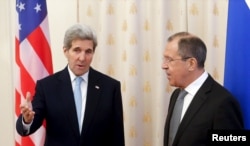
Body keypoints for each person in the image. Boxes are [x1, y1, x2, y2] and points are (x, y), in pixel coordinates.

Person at [16, 24, 125, 146]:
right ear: (65, 51)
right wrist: (27, 120)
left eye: (88, 51)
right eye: (77, 50)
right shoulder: (47, 87)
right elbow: (26, 128)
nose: (82, 58)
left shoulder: (110, 87)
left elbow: (117, 136)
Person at [162, 32, 244, 146]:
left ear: (191, 63)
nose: (164, 66)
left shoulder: (223, 103)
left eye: (169, 60)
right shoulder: (176, 95)